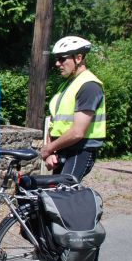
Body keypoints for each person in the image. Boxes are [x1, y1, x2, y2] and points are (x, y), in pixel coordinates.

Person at [40, 36, 106, 181]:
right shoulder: (66, 85)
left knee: (64, 196)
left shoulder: (89, 86)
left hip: (80, 151)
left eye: (62, 59)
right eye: (56, 59)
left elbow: (77, 132)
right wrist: (50, 149)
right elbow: (53, 122)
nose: (57, 63)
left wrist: (49, 148)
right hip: (62, 149)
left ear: (79, 58)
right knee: (55, 197)